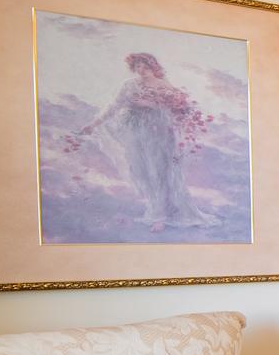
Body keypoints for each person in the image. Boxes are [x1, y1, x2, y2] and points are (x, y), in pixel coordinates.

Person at [77, 51, 214, 234]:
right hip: (135, 131)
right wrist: (94, 124)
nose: (141, 70)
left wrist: (151, 105)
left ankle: (160, 217)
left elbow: (182, 109)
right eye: (137, 67)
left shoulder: (164, 85)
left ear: (154, 67)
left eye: (145, 67)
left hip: (159, 133)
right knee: (141, 171)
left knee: (158, 171)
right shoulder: (129, 85)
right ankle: (156, 210)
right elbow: (114, 105)